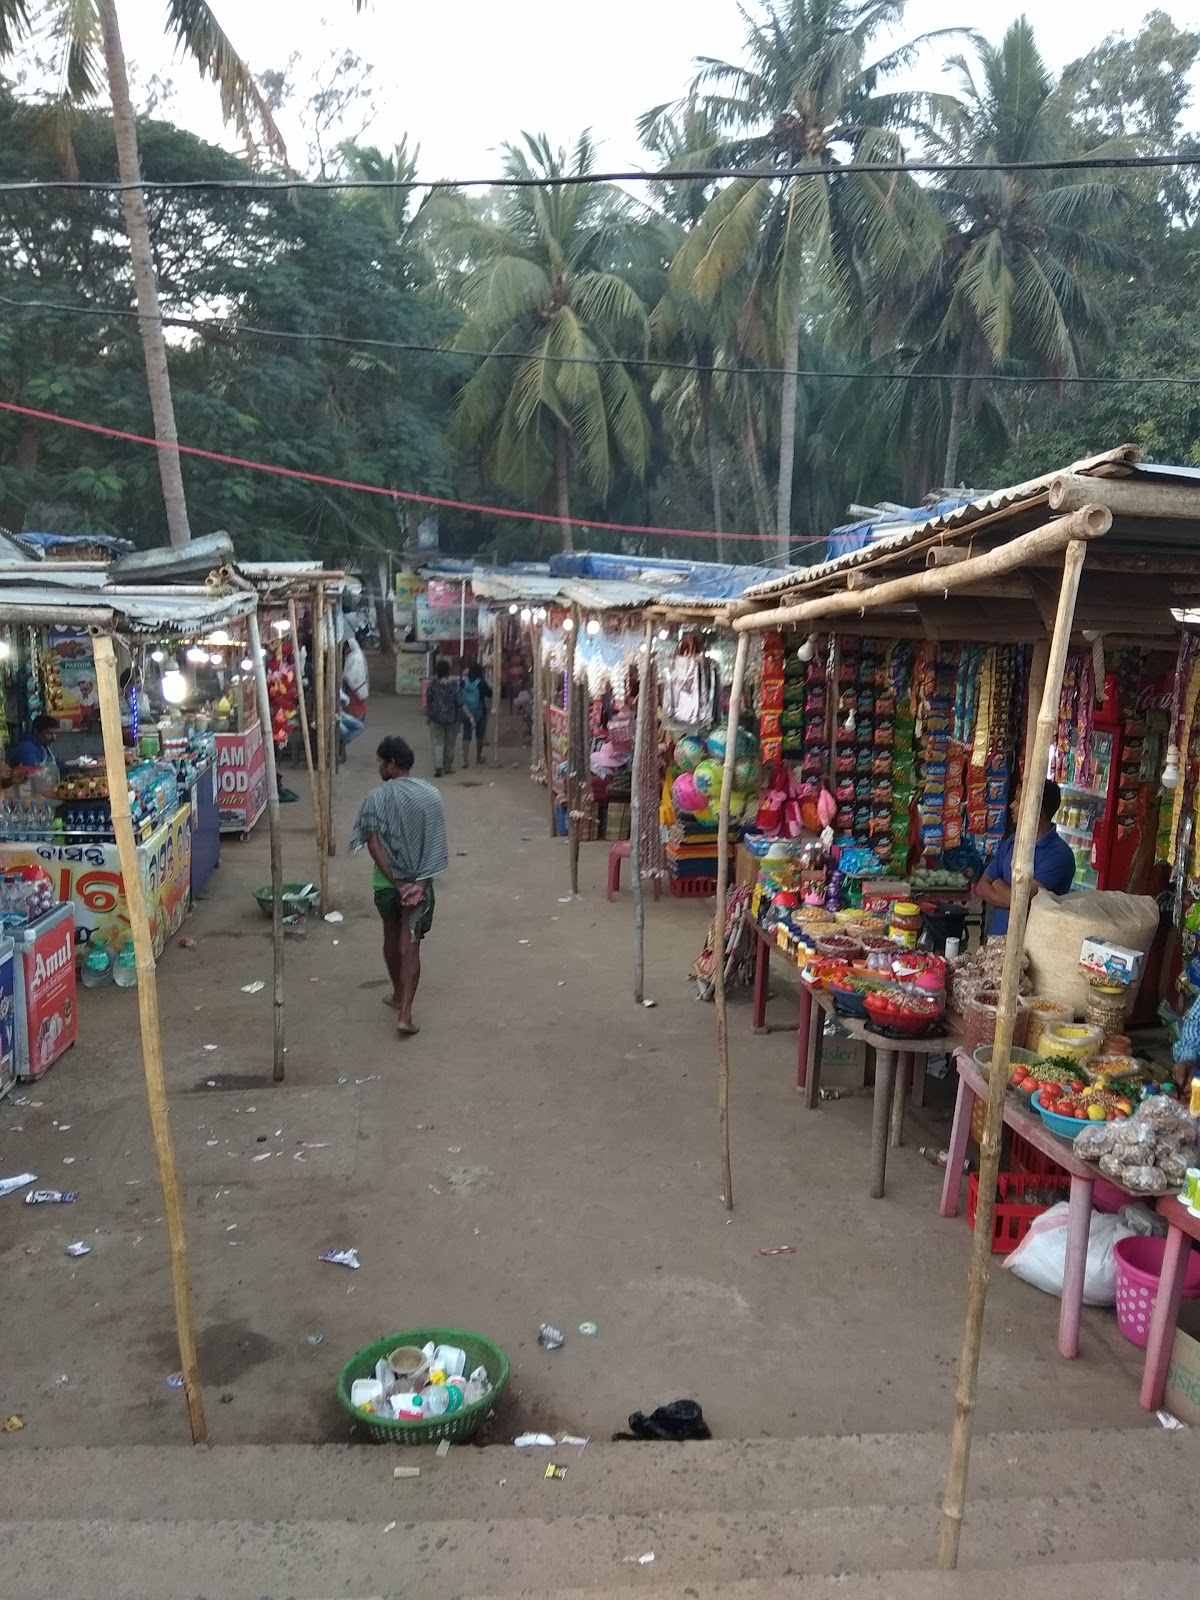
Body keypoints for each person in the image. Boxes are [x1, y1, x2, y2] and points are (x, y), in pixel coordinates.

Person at [349, 735, 449, 1037]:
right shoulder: (431, 795)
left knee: (390, 937)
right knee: (411, 945)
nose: (380, 767)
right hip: (419, 885)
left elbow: (371, 841)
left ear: (392, 764)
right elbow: (435, 844)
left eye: (382, 762)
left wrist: (395, 881)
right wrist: (417, 884)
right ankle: (405, 1012)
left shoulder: (376, 798)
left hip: (386, 885)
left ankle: (395, 994)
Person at [974, 778, 1076, 937]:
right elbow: (981, 886)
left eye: (1018, 801)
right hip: (997, 939)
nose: (1011, 806)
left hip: (1031, 945)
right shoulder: (1013, 841)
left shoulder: (1059, 855)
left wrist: (997, 883)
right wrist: (1010, 897)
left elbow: (1022, 900)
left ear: (1036, 809)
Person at [424, 659, 463, 776]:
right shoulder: (454, 686)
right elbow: (459, 702)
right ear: (448, 672)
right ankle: (448, 767)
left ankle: (438, 767)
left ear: (437, 672)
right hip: (452, 719)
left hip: (435, 718)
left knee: (437, 743)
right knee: (450, 744)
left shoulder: (432, 686)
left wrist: (429, 715)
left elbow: (428, 702)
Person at [460, 662, 492, 768]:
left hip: (466, 711)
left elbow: (459, 696)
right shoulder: (481, 683)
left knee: (466, 735)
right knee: (480, 735)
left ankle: (465, 760)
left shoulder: (463, 682)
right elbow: (490, 694)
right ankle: (478, 757)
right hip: (480, 712)